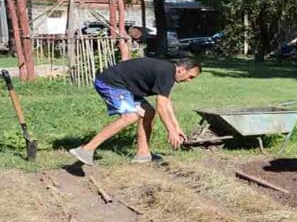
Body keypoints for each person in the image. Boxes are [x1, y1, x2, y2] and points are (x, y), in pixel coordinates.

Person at [69, 58, 202, 165]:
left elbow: (166, 102)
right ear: (181, 70)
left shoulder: (168, 72)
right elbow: (161, 106)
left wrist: (176, 127)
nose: (189, 80)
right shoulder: (166, 72)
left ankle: (143, 153)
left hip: (126, 88)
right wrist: (170, 131)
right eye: (190, 77)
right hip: (110, 83)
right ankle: (86, 149)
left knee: (148, 112)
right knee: (130, 116)